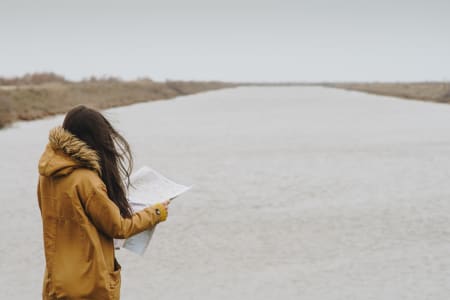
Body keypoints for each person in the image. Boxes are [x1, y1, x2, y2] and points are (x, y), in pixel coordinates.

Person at [37, 105, 169, 299]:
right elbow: (119, 227)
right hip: (89, 285)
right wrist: (156, 212)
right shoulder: (87, 180)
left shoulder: (47, 176)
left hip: (56, 283)